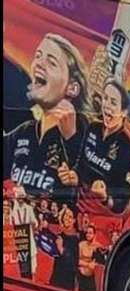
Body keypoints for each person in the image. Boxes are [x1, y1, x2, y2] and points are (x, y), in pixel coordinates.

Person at [3, 34, 88, 201]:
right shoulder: (23, 132)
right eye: (38, 56)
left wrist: (71, 138)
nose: (39, 64)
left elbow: (94, 183)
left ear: (72, 88)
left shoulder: (85, 133)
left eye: (51, 62)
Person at [63, 79, 130, 214]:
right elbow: (80, 166)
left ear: (124, 112)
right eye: (105, 99)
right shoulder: (93, 128)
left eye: (113, 102)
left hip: (101, 217)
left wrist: (105, 198)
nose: (107, 106)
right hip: (77, 207)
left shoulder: (129, 145)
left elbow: (122, 202)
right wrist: (73, 175)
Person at [10, 186, 39, 278]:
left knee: (32, 257)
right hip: (18, 237)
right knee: (19, 259)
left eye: (22, 197)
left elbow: (35, 222)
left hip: (28, 235)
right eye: (19, 197)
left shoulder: (29, 208)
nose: (21, 199)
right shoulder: (13, 209)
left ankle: (32, 277)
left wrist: (34, 226)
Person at [50, 205, 79, 290]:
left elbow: (74, 262)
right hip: (56, 276)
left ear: (74, 221)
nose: (67, 218)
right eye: (66, 215)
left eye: (70, 217)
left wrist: (62, 249)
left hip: (67, 280)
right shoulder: (60, 234)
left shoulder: (75, 238)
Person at [77, 223, 99, 291]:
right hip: (80, 275)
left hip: (92, 277)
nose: (88, 235)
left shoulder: (97, 246)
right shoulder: (81, 244)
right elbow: (76, 260)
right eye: (87, 233)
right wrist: (87, 265)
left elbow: (98, 262)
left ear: (94, 235)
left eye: (90, 233)